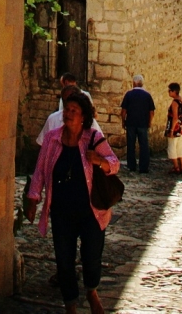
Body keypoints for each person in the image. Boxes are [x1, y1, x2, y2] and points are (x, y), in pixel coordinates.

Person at [27, 89, 119, 314]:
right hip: (61, 211)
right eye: (66, 109)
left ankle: (91, 291)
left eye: (73, 111)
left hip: (90, 211)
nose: (67, 114)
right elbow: (40, 169)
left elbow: (114, 164)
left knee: (91, 257)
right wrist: (33, 197)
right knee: (64, 261)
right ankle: (70, 306)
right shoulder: (53, 137)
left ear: (83, 116)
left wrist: (98, 160)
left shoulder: (93, 138)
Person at [37, 73, 94, 145]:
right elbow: (42, 146)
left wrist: (95, 156)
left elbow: (106, 154)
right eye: (67, 108)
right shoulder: (53, 120)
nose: (69, 114)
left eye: (74, 110)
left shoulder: (91, 126)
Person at [120, 73, 155, 174]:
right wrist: (149, 122)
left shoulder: (129, 94)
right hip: (143, 123)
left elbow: (123, 111)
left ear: (134, 83)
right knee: (144, 145)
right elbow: (151, 112)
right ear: (142, 84)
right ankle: (143, 167)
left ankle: (131, 166)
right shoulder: (147, 95)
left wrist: (123, 121)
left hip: (131, 123)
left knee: (131, 145)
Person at [165, 82, 182, 176]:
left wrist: (171, 130)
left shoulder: (175, 102)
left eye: (170, 90)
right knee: (180, 148)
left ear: (174, 91)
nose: (169, 92)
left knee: (172, 147)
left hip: (175, 127)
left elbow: (175, 117)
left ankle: (176, 167)